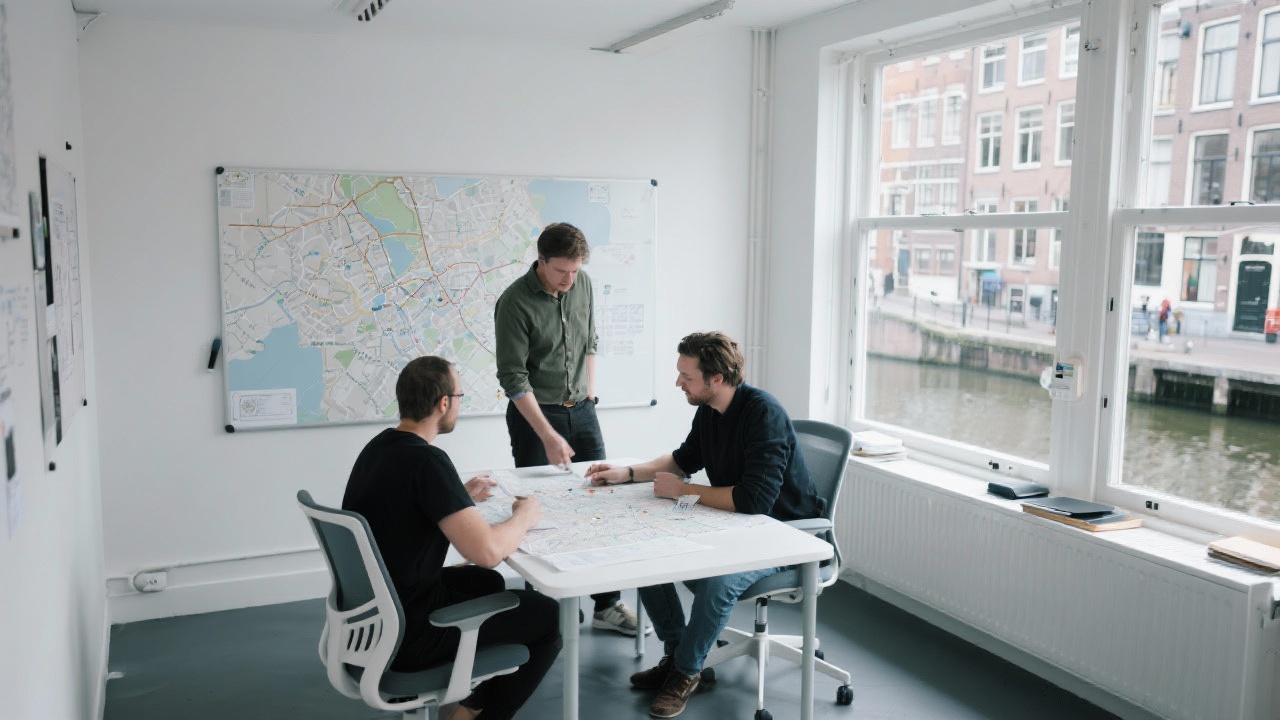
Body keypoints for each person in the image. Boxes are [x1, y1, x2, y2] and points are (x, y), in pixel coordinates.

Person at [584, 332, 822, 719]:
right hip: (740, 525)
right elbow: (681, 461)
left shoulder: (763, 413)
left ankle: (685, 671)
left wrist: (683, 492)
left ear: (716, 378)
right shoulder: (709, 411)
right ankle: (679, 654)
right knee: (646, 553)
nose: (678, 383)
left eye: (686, 376)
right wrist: (626, 472)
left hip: (785, 535)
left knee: (718, 581)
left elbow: (754, 500)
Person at [343, 356, 560, 720]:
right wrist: (525, 515)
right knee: (547, 616)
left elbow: (402, 504)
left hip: (380, 612)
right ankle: (476, 714)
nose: (458, 403)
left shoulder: (380, 448)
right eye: (458, 396)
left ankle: (470, 701)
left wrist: (455, 494)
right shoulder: (428, 461)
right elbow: (486, 551)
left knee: (485, 583)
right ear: (443, 402)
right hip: (411, 632)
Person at [493, 221, 639, 636]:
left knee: (600, 501)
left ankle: (606, 605)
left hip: (584, 410)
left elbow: (590, 340)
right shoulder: (514, 303)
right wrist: (547, 433)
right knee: (538, 512)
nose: (569, 280)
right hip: (536, 416)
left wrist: (589, 395)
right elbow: (513, 379)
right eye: (561, 272)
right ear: (540, 261)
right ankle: (549, 608)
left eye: (575, 271)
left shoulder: (583, 284)